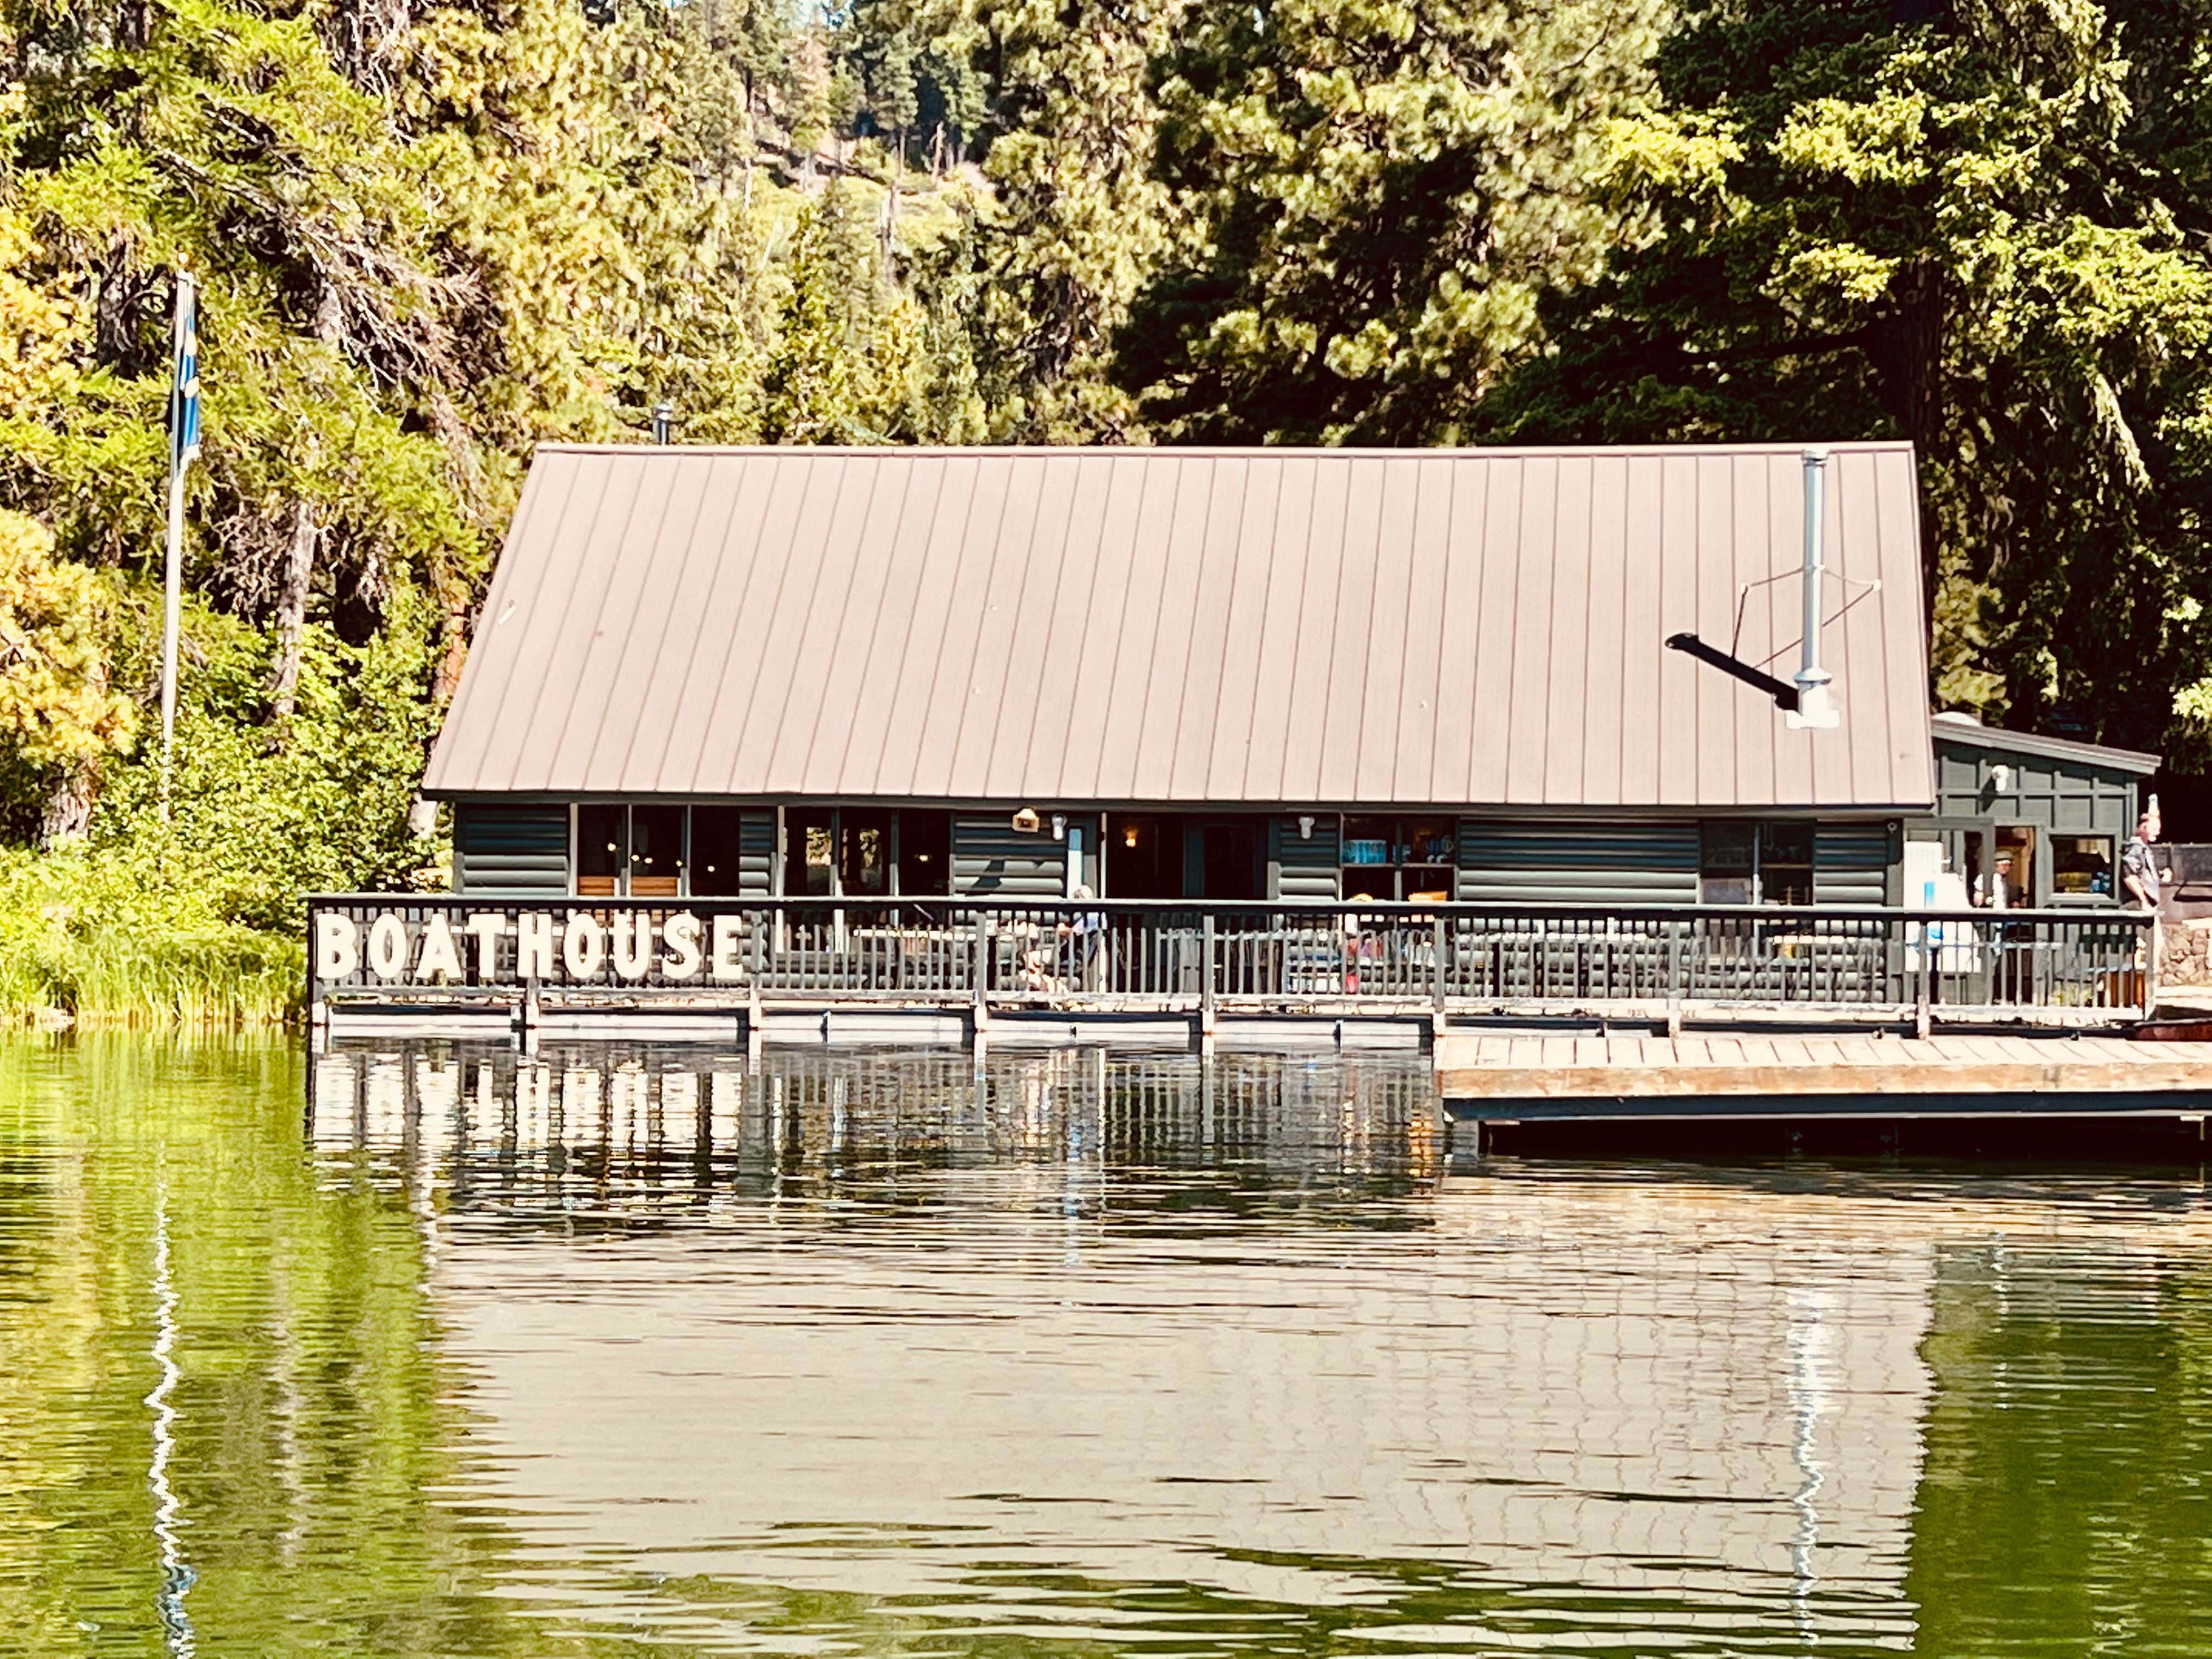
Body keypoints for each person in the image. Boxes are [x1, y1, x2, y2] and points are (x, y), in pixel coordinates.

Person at [2123, 811, 2172, 911]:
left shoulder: (2144, 848)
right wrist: (2144, 901)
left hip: (2149, 904)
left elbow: (2143, 873)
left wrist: (2161, 874)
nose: (2158, 833)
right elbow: (2129, 876)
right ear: (2144, 828)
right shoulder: (2136, 848)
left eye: (2158, 829)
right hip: (2139, 905)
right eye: (2154, 829)